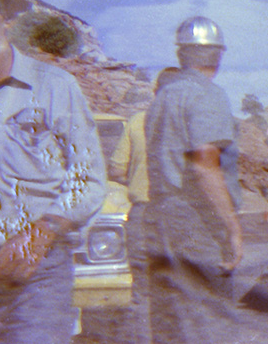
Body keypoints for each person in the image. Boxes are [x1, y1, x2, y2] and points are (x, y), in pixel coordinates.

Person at [0, 0, 107, 344]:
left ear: (5, 13)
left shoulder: (54, 86)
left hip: (38, 269)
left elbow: (87, 178)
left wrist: (43, 230)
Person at [144, 16, 242, 343]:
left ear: (181, 55)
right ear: (217, 55)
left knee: (174, 316)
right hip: (197, 218)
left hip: (161, 216)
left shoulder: (161, 99)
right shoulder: (207, 94)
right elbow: (204, 165)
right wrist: (232, 225)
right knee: (212, 319)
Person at [108, 66, 180, 344]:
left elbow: (115, 171)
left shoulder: (137, 121)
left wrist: (138, 180)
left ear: (155, 91)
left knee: (142, 291)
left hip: (142, 214)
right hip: (178, 217)